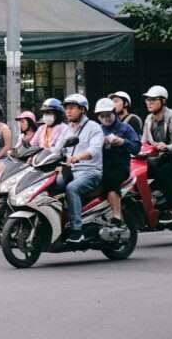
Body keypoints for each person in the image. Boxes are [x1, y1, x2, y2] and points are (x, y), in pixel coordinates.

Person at [56, 94, 104, 244]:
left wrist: (78, 157)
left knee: (72, 188)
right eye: (66, 108)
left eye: (72, 108)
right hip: (70, 171)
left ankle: (77, 230)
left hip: (90, 171)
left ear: (82, 109)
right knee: (51, 185)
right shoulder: (67, 130)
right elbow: (56, 149)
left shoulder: (94, 127)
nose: (68, 111)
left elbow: (94, 150)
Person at [140, 85, 172, 216]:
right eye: (147, 100)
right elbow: (144, 142)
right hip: (159, 158)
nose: (149, 103)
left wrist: (167, 147)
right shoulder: (148, 120)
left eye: (153, 100)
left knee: (163, 172)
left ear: (163, 101)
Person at [93, 98, 139, 227]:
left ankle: (116, 216)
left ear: (114, 113)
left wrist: (123, 142)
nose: (106, 118)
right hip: (100, 166)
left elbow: (136, 148)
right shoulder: (97, 130)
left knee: (110, 180)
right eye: (102, 116)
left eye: (108, 115)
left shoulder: (126, 128)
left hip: (119, 167)